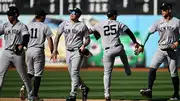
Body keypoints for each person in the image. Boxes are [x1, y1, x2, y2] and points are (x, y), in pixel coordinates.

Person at [89, 9, 139, 101]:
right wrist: (135, 42)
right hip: (118, 48)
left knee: (107, 74)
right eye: (116, 15)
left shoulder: (99, 24)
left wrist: (96, 32)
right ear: (114, 16)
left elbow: (89, 31)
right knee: (123, 52)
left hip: (107, 51)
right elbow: (129, 32)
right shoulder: (118, 23)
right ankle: (127, 68)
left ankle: (107, 94)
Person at [139, 2, 180, 100]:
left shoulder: (177, 22)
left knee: (173, 73)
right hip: (161, 49)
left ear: (169, 10)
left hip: (172, 51)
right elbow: (148, 33)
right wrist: (142, 45)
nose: (162, 11)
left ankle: (176, 94)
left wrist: (178, 42)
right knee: (152, 68)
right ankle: (149, 90)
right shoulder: (158, 22)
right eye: (161, 9)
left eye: (164, 9)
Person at [51, 7, 90, 101]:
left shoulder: (82, 26)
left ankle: (73, 94)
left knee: (74, 72)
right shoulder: (64, 23)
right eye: (71, 12)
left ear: (78, 15)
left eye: (74, 12)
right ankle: (84, 87)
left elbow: (88, 39)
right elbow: (57, 36)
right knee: (72, 74)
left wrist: (84, 45)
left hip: (78, 51)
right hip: (68, 51)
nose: (72, 14)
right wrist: (55, 49)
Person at [0, 6, 34, 101]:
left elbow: (26, 36)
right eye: (8, 15)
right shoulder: (5, 25)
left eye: (10, 14)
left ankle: (31, 96)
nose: (8, 16)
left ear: (15, 15)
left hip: (17, 53)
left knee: (23, 76)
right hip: (6, 52)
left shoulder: (22, 26)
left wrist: (22, 44)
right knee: (0, 74)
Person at [19, 9, 54, 101]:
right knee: (38, 75)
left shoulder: (28, 25)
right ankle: (35, 96)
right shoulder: (44, 26)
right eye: (44, 15)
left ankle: (23, 87)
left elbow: (23, 38)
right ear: (42, 16)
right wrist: (52, 51)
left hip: (28, 50)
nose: (45, 17)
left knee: (30, 72)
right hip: (38, 50)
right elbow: (49, 40)